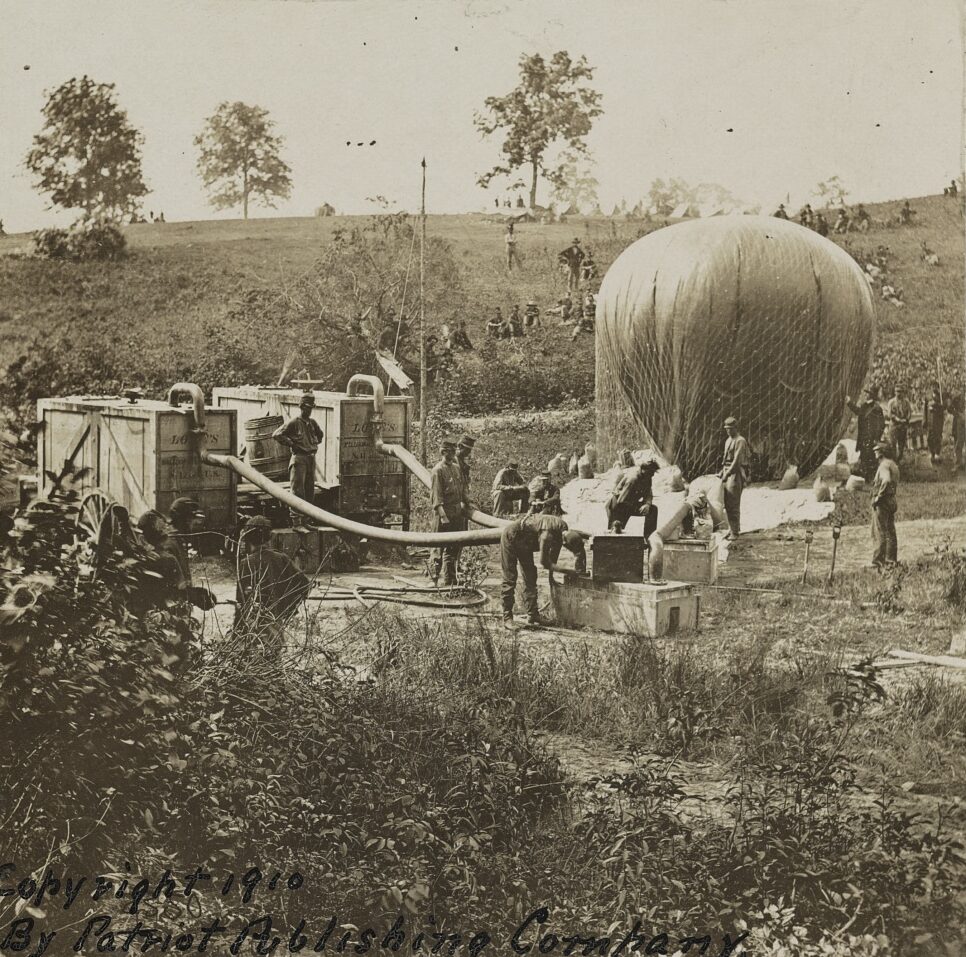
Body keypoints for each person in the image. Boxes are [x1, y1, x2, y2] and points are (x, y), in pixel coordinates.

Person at [234, 515, 312, 657]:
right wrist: (286, 609)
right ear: (269, 537)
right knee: (273, 659)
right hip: (275, 622)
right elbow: (304, 584)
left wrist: (236, 633)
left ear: (247, 538)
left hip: (253, 626)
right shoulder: (281, 558)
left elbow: (241, 602)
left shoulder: (246, 563)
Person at [500, 512, 586, 627]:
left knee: (531, 575)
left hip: (525, 542)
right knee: (510, 577)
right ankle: (507, 618)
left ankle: (533, 614)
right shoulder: (547, 535)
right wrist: (568, 571)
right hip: (512, 536)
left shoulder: (563, 528)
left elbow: (553, 561)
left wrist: (576, 571)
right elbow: (545, 563)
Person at [272, 393, 324, 527]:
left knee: (309, 491)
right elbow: (277, 434)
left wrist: (312, 444)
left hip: (311, 459)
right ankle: (296, 523)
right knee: (297, 491)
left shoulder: (312, 423)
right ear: (301, 407)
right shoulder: (294, 422)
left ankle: (306, 521)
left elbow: (320, 435)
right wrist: (292, 444)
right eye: (306, 407)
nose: (309, 410)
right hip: (299, 459)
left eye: (311, 408)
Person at [429, 439, 469, 585]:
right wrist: (443, 516)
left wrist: (469, 503)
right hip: (443, 514)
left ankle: (450, 580)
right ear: (443, 452)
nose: (453, 454)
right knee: (438, 548)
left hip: (456, 512)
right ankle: (433, 580)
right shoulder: (437, 471)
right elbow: (436, 497)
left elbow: (462, 489)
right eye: (450, 451)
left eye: (453, 451)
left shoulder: (456, 468)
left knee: (453, 548)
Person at [605, 458, 661, 540]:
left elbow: (648, 493)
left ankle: (649, 538)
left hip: (629, 504)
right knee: (615, 536)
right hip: (618, 507)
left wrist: (647, 504)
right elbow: (622, 501)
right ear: (643, 470)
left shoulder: (647, 477)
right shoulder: (633, 479)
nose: (652, 474)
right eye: (651, 472)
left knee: (652, 510)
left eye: (653, 472)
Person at [719, 416, 751, 538]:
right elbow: (725, 460)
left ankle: (735, 532)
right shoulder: (728, 440)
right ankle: (732, 528)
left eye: (730, 429)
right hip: (727, 472)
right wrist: (722, 472)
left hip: (736, 474)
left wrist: (726, 474)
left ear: (735, 428)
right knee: (727, 502)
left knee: (733, 502)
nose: (728, 431)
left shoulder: (740, 441)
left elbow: (737, 462)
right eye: (726, 429)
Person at [846, 387, 886, 481]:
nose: (865, 395)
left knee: (870, 457)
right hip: (864, 437)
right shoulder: (865, 406)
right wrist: (849, 403)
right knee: (865, 456)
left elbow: (881, 424)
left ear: (871, 395)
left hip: (871, 437)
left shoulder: (876, 408)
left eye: (867, 393)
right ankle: (866, 476)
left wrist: (877, 437)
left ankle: (870, 477)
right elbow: (858, 412)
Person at [870, 441, 899, 569]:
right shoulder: (893, 464)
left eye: (877, 450)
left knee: (879, 531)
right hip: (892, 500)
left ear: (881, 452)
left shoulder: (883, 465)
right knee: (890, 531)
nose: (875, 452)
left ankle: (878, 560)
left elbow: (886, 480)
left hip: (883, 501)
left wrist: (878, 497)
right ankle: (891, 560)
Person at [886, 386, 912, 463]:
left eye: (900, 391)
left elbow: (909, 412)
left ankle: (899, 459)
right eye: (897, 391)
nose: (898, 393)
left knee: (901, 444)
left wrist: (906, 419)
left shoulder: (906, 402)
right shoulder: (891, 402)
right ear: (894, 392)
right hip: (894, 425)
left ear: (903, 393)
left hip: (903, 426)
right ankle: (894, 461)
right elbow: (889, 414)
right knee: (893, 444)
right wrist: (897, 419)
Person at [926, 382, 946, 465]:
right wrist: (924, 420)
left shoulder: (941, 396)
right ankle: (932, 453)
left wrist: (937, 406)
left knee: (938, 437)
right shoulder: (928, 396)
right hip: (930, 421)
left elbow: (944, 407)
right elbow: (924, 409)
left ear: (937, 387)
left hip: (938, 421)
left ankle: (937, 453)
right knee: (929, 438)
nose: (934, 388)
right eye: (932, 386)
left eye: (935, 386)